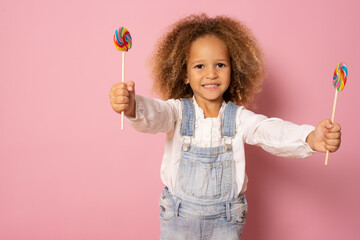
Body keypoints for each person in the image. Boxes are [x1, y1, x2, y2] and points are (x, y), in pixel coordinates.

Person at [109, 14, 341, 240]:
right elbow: (155, 114)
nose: (211, 73)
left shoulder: (238, 118)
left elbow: (268, 130)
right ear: (185, 75)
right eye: (199, 66)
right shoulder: (177, 111)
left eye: (220, 64)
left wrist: (310, 138)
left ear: (234, 69)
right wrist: (132, 106)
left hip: (226, 220)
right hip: (179, 218)